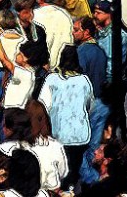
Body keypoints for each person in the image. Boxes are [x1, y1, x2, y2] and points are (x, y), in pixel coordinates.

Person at [38, 45, 93, 188]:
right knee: (73, 172)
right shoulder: (84, 80)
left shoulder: (52, 79)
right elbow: (89, 105)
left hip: (59, 134)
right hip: (79, 135)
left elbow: (42, 105)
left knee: (58, 172)